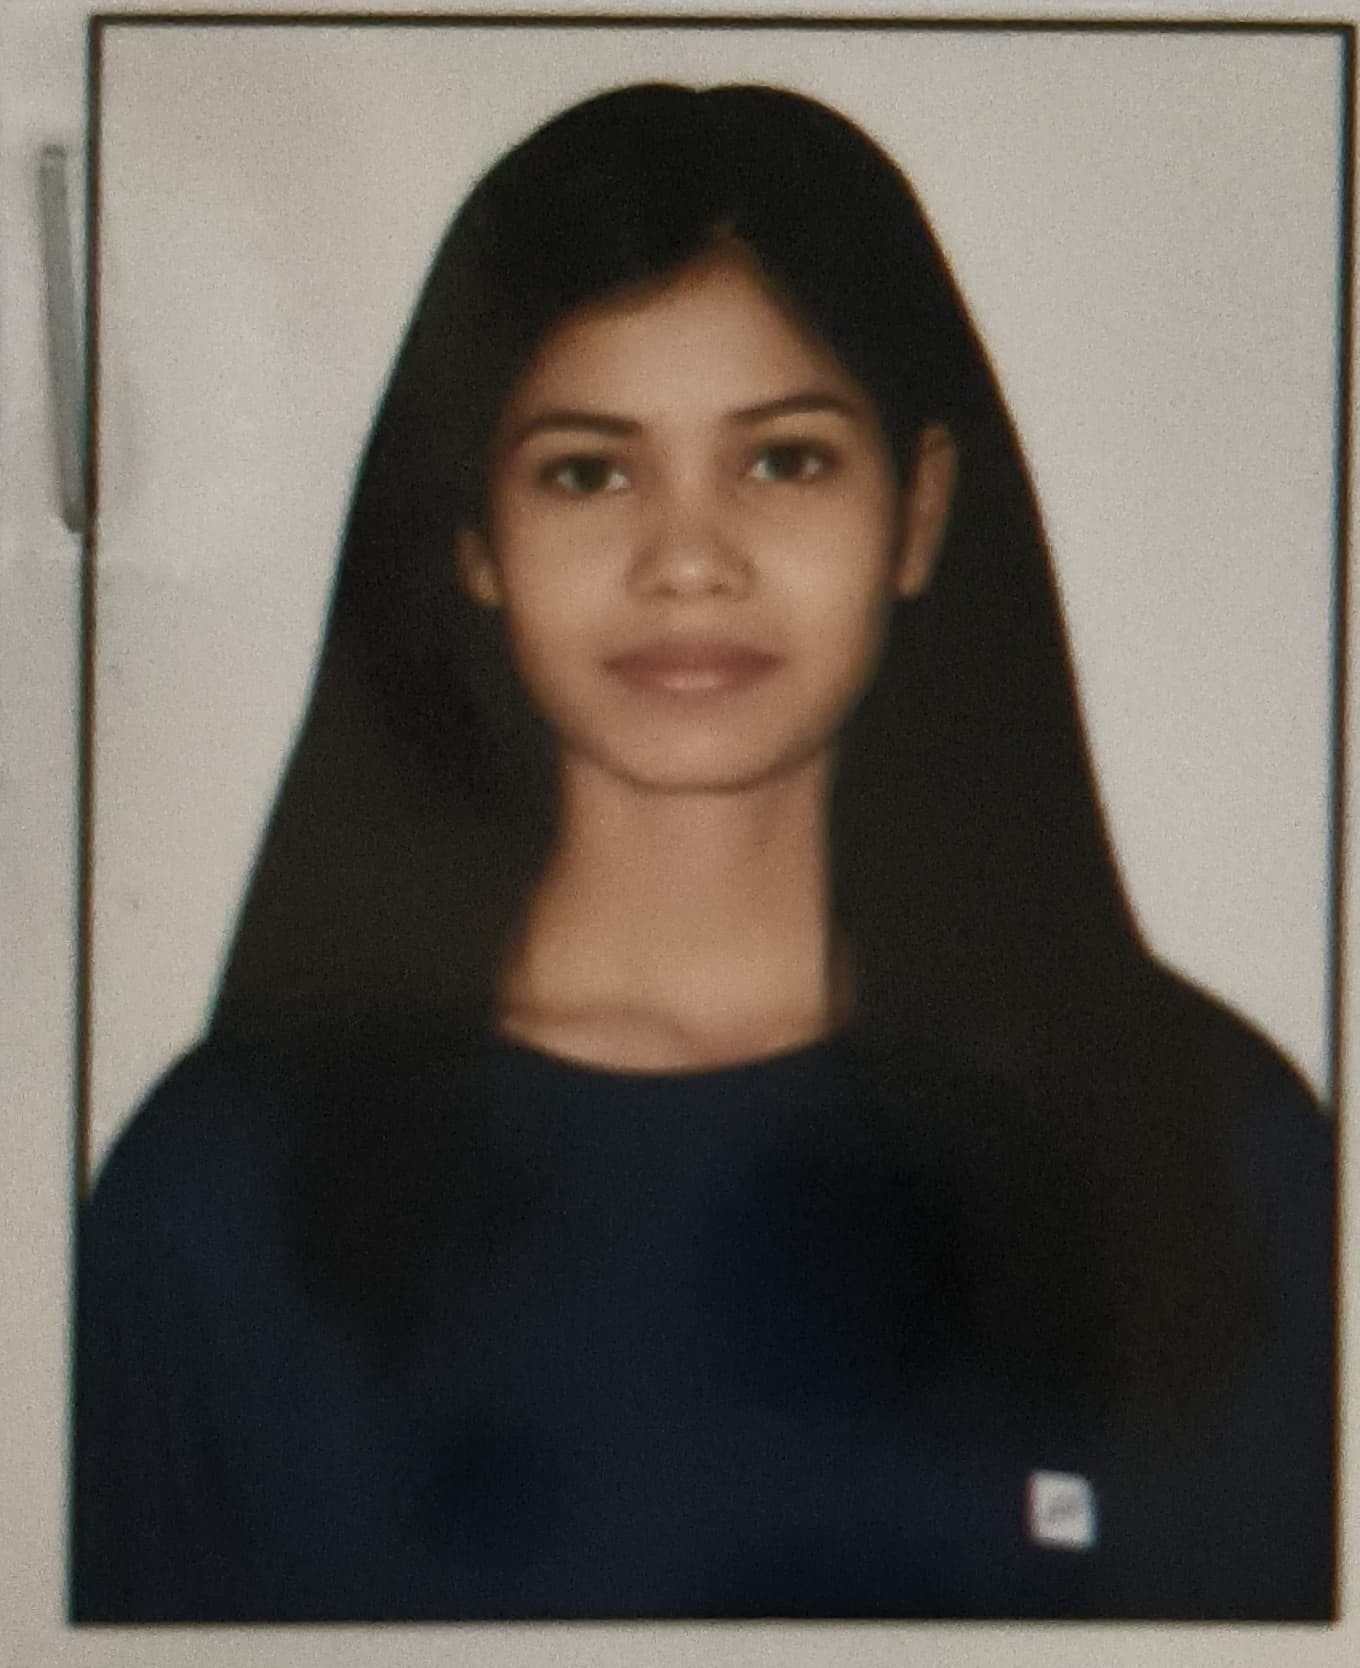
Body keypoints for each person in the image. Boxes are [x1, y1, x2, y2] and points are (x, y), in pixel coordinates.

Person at [72, 81, 1335, 1624]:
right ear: (471, 539)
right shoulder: (221, 1195)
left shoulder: (1204, 1155)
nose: (687, 559)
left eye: (784, 460)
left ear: (922, 510)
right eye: (587, 470)